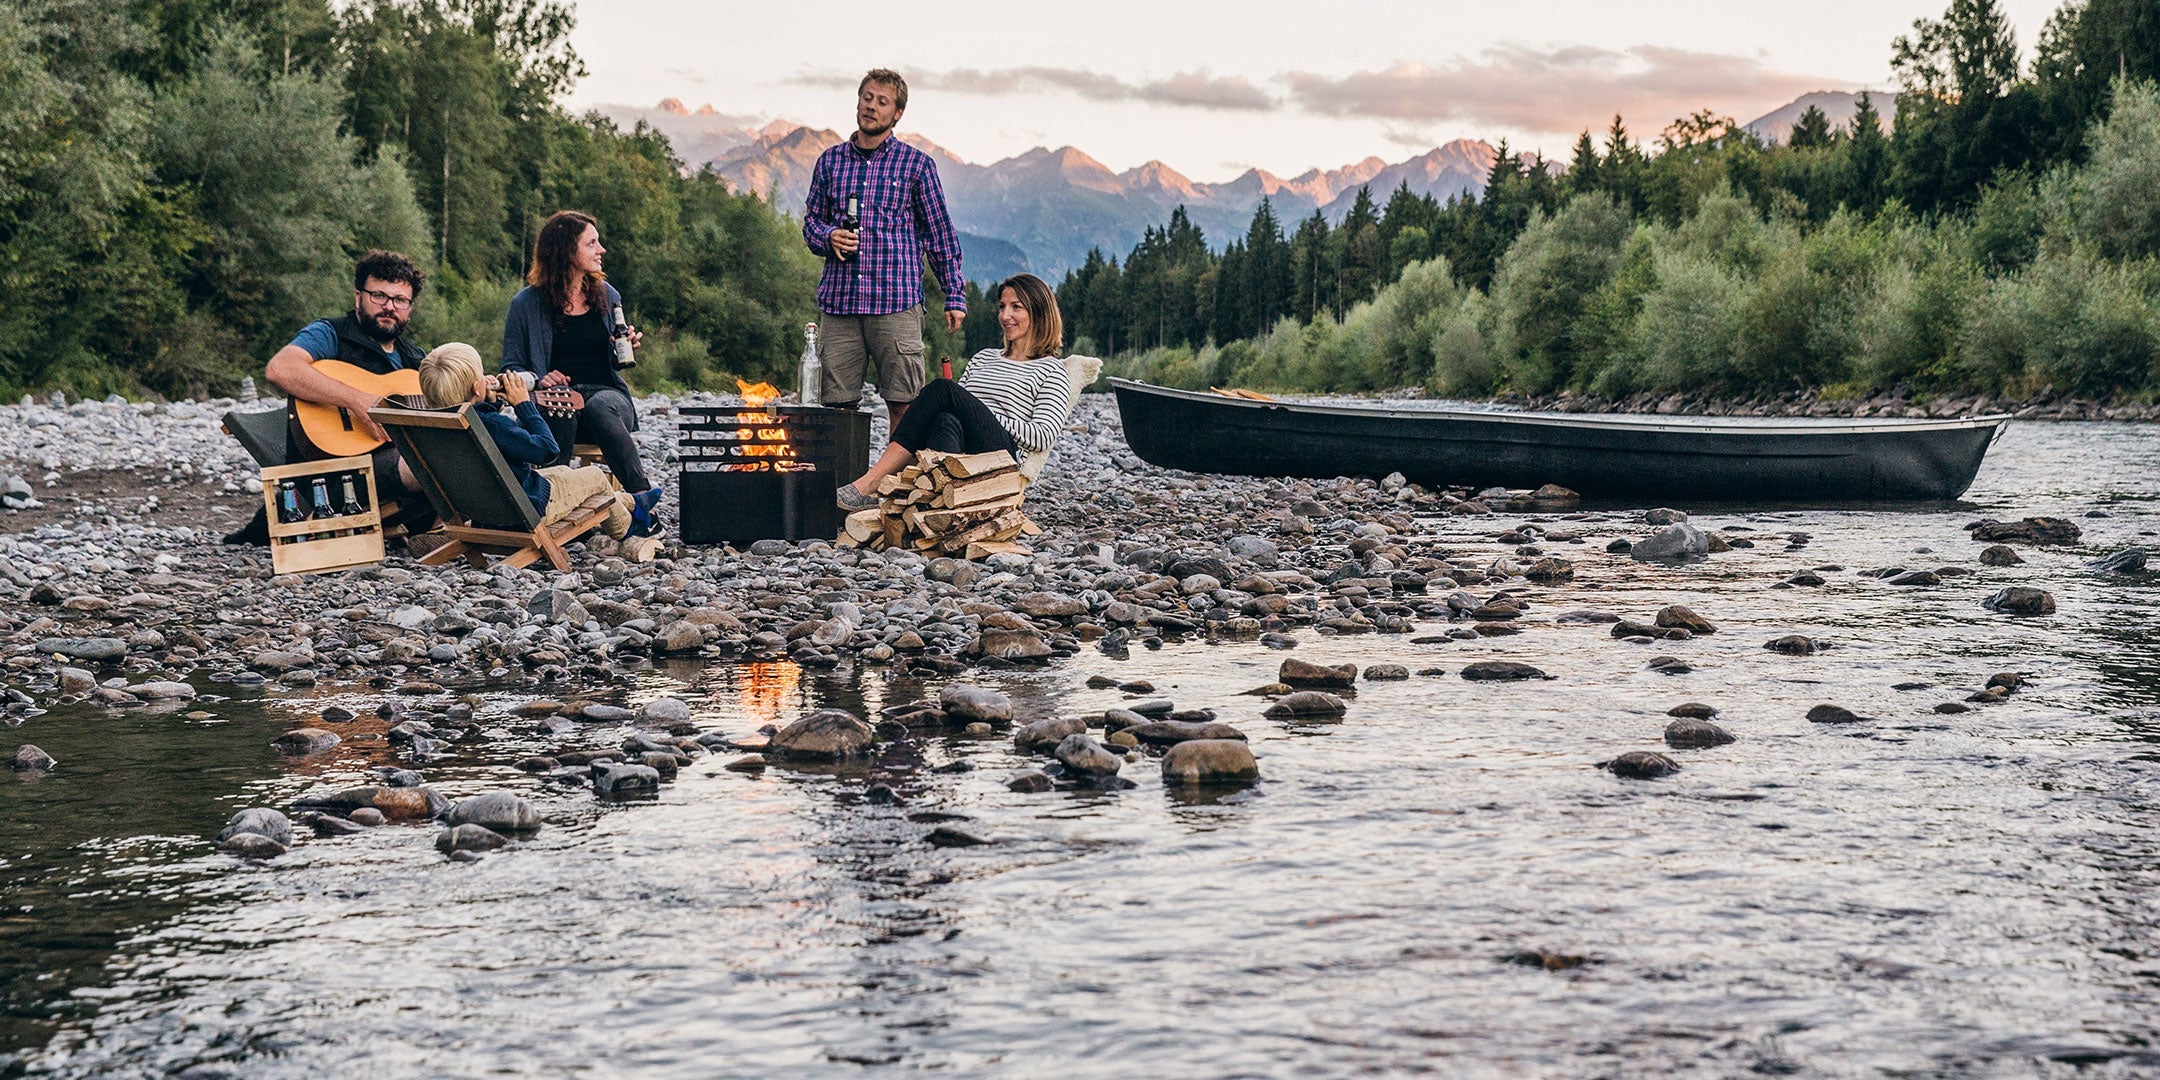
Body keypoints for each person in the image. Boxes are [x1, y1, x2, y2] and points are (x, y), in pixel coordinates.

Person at [801, 68, 966, 426]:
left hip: (896, 302)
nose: (871, 107)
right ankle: (845, 484)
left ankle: (896, 484)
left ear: (897, 113)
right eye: (867, 98)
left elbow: (940, 234)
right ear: (858, 101)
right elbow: (811, 224)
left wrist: (954, 294)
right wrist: (828, 236)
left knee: (904, 404)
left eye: (882, 102)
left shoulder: (917, 165)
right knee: (837, 406)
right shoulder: (830, 161)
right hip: (840, 303)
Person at [837, 274, 1074, 510]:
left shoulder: (1051, 369)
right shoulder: (983, 357)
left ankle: (871, 484)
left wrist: (987, 415)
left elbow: (1043, 436)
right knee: (944, 419)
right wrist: (970, 411)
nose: (1005, 316)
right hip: (965, 450)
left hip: (1002, 459)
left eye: (1016, 307)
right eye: (1002, 307)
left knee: (943, 389)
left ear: (1039, 313)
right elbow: (958, 412)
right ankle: (938, 508)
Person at [417, 344, 663, 539]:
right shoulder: (492, 425)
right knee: (595, 477)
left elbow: (485, 423)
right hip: (527, 509)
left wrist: (491, 404)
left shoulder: (438, 427)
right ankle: (629, 527)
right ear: (475, 387)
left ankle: (632, 501)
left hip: (485, 511)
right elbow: (547, 450)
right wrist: (523, 405)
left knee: (566, 473)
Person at [501, 210, 655, 497]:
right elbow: (511, 367)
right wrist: (540, 378)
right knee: (562, 406)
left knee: (600, 406)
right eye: (591, 243)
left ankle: (641, 498)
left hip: (605, 399)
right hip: (555, 403)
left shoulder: (608, 295)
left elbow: (613, 364)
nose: (601, 250)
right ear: (566, 251)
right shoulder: (525, 304)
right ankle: (556, 504)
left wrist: (622, 349)